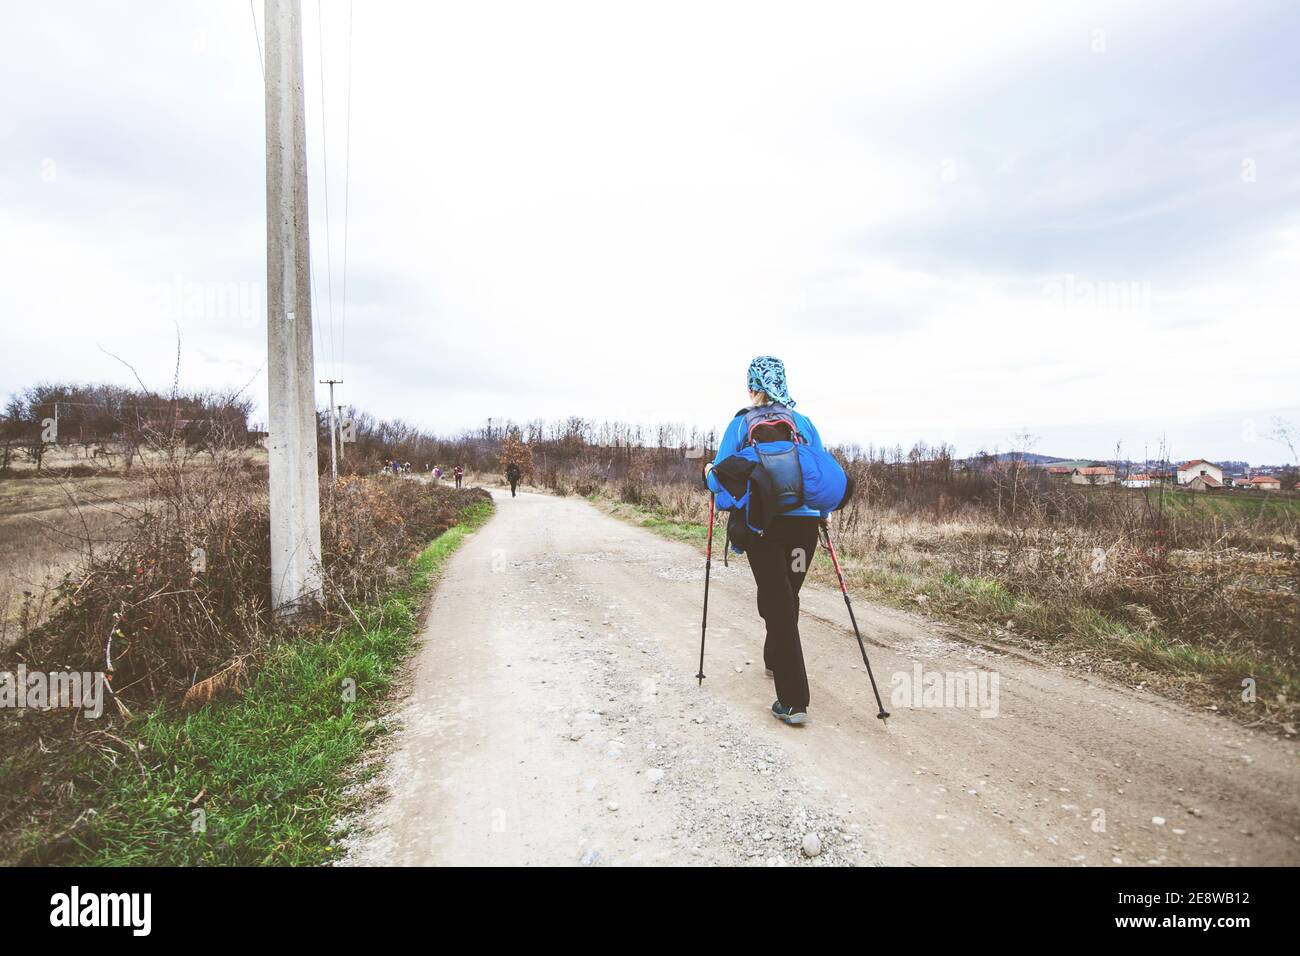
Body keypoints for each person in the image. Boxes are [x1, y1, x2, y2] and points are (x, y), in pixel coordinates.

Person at [705, 355, 826, 727]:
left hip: (764, 528)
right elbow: (819, 470)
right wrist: (822, 514)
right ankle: (775, 657)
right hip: (804, 532)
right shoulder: (804, 424)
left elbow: (723, 478)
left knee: (778, 601)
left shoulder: (740, 423)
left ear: (752, 386)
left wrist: (708, 474)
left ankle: (793, 702)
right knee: (786, 594)